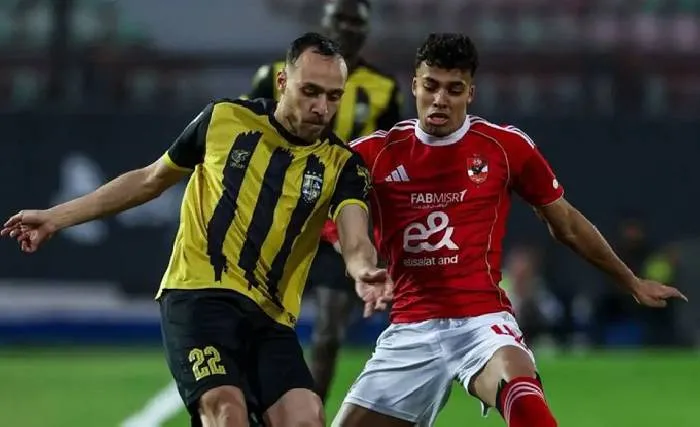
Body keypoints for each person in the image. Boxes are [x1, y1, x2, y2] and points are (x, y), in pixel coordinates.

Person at [2, 32, 392, 427]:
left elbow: (354, 237)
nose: (321, 107)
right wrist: (57, 217)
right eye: (310, 91)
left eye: (333, 96)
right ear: (282, 82)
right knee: (226, 411)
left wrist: (364, 271)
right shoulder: (224, 119)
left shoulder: (343, 165)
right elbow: (149, 179)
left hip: (270, 319)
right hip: (198, 298)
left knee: (306, 419)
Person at [332, 33, 687, 427]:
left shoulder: (504, 146)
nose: (440, 99)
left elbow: (567, 225)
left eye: (454, 89)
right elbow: (340, 224)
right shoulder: (371, 154)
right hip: (410, 327)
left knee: (519, 387)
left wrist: (631, 281)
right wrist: (363, 268)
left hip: (481, 321)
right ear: (415, 85)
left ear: (471, 93)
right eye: (431, 86)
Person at [248, 0, 401, 403]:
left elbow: (390, 163)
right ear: (325, 22)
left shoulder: (384, 89)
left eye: (357, 22)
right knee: (256, 317)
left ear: (366, 30)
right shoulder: (275, 76)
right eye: (340, 19)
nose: (348, 28)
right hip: (280, 217)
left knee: (330, 328)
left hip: (341, 219)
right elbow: (244, 142)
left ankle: (308, 413)